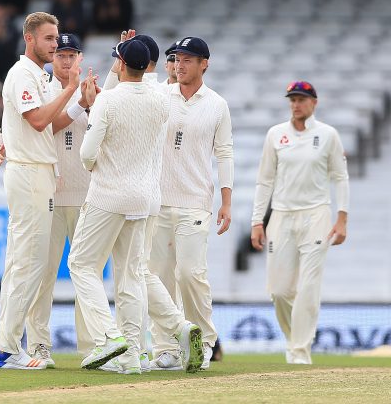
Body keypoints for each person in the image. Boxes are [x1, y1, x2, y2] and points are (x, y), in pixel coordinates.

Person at [0, 12, 82, 370]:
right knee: (30, 263)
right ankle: (6, 347)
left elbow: (52, 123)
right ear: (30, 38)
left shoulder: (38, 77)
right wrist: (71, 88)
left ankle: (6, 344)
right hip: (28, 174)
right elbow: (38, 120)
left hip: (38, 173)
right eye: (48, 39)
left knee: (21, 264)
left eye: (56, 38)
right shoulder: (21, 74)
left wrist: (78, 99)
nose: (55, 44)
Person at [67, 38, 168, 374]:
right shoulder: (160, 99)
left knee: (81, 264)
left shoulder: (107, 101)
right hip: (143, 196)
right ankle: (133, 356)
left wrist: (95, 167)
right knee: (130, 277)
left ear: (121, 64)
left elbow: (86, 154)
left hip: (108, 195)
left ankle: (109, 337)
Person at [147, 37, 233, 370]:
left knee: (190, 274)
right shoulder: (159, 95)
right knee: (160, 276)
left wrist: (226, 202)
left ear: (203, 64)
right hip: (157, 200)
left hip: (196, 201)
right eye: (176, 59)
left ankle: (206, 342)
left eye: (187, 60)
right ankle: (165, 348)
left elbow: (224, 153)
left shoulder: (216, 104)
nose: (180, 65)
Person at [251, 81, 349, 365]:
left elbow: (340, 177)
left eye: (302, 99)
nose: (296, 104)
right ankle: (295, 341)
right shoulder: (276, 134)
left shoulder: (328, 135)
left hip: (316, 215)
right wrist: (258, 221)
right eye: (293, 99)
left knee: (308, 286)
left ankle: (299, 352)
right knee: (279, 291)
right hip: (281, 216)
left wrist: (342, 217)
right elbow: (264, 180)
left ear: (314, 103)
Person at [24, 33, 97, 367]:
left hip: (87, 197)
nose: (66, 61)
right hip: (49, 196)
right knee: (43, 274)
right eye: (61, 55)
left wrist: (91, 101)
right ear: (52, 58)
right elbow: (45, 126)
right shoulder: (42, 90)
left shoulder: (95, 93)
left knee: (87, 273)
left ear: (80, 58)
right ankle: (39, 344)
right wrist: (78, 102)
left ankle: (93, 346)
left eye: (72, 55)